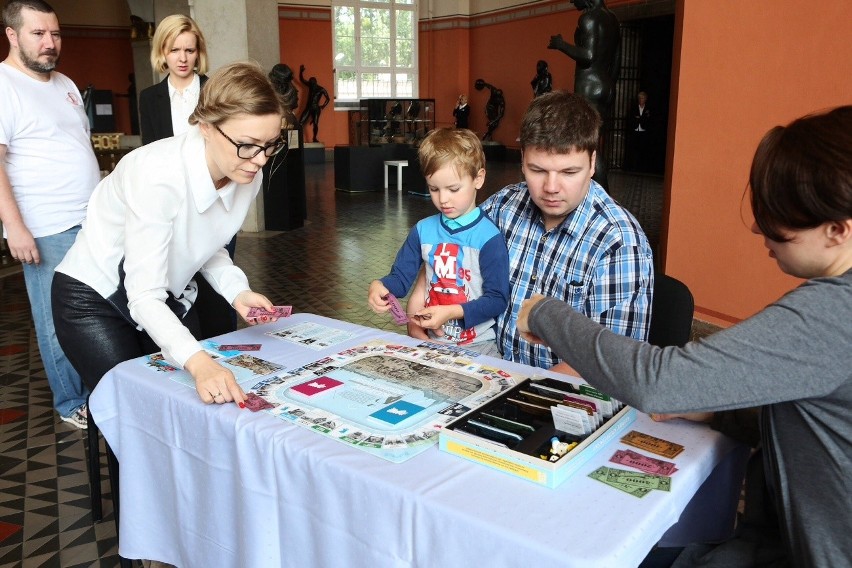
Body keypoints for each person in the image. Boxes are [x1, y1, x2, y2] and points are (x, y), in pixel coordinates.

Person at [517, 105, 852, 567]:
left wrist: (545, 313)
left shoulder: (833, 313)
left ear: (837, 231)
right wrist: (721, 410)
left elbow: (656, 380)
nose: (758, 227)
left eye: (777, 219)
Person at [51, 62, 288, 406]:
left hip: (158, 295)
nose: (260, 159)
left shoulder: (245, 171)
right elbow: (144, 295)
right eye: (249, 144)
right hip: (95, 298)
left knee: (178, 408)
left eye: (270, 145)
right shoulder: (156, 174)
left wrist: (237, 291)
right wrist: (198, 362)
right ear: (206, 127)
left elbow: (205, 240)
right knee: (137, 413)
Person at [409, 91, 653, 373]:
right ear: (522, 159)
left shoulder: (619, 243)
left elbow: (613, 365)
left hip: (557, 397)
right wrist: (419, 315)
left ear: (592, 163)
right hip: (482, 369)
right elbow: (442, 247)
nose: (551, 187)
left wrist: (518, 391)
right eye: (537, 170)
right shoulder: (503, 206)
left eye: (569, 172)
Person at [0, 0, 99, 428]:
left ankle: (99, 387)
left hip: (91, 219)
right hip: (45, 227)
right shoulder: (4, 86)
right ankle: (70, 401)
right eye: (38, 33)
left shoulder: (65, 83)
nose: (49, 43)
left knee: (96, 308)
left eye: (55, 34)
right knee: (54, 317)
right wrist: (14, 227)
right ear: (12, 35)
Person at [138, 14, 237, 339]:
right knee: (175, 288)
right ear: (162, 52)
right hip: (172, 207)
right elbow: (151, 157)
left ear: (199, 52)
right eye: (174, 49)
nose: (182, 58)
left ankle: (227, 355)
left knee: (218, 285)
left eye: (189, 50)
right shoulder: (149, 99)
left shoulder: (216, 91)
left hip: (216, 202)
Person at [369, 128, 509, 356]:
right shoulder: (422, 230)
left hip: (479, 346)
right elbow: (400, 277)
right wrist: (380, 286)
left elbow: (497, 300)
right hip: (430, 341)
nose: (443, 199)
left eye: (453, 189)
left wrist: (452, 312)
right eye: (434, 189)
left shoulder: (489, 238)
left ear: (478, 179)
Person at [548, 0, 619, 187]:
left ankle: (603, 199)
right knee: (596, 145)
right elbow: (617, 63)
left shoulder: (589, 18)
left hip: (589, 85)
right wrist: (608, 84)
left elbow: (588, 56)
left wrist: (561, 44)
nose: (572, 1)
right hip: (606, 85)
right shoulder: (612, 19)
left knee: (590, 147)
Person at [298, 64, 330, 144]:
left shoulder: (321, 89)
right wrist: (301, 71)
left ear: (315, 82)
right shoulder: (310, 86)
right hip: (308, 107)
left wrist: (323, 106)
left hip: (316, 108)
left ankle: (314, 138)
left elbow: (328, 99)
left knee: (315, 123)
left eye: (312, 82)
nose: (311, 83)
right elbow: (302, 80)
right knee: (300, 122)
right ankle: (299, 139)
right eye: (310, 82)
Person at [626, 91, 651, 172]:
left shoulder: (648, 109)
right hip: (635, 131)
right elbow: (631, 118)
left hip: (643, 132)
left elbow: (648, 120)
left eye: (643, 98)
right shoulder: (634, 108)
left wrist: (639, 118)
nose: (641, 100)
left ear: (645, 99)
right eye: (640, 98)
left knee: (642, 150)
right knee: (633, 150)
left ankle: (642, 168)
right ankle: (632, 167)